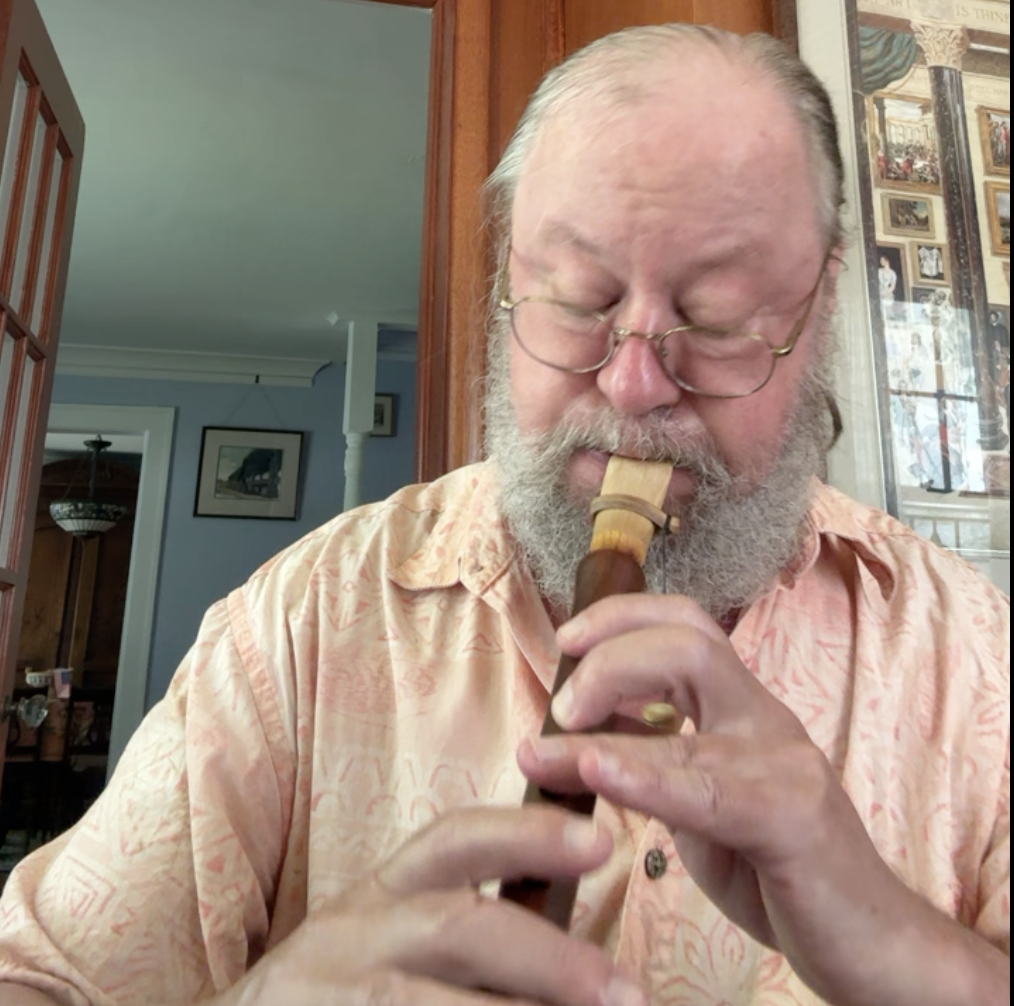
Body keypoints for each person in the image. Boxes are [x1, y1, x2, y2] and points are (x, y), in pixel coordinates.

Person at [0, 24, 1008, 1006]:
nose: (633, 386)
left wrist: (917, 957)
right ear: (508, 282)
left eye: (718, 318)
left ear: (819, 308)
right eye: (577, 299)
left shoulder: (974, 655)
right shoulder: (301, 624)